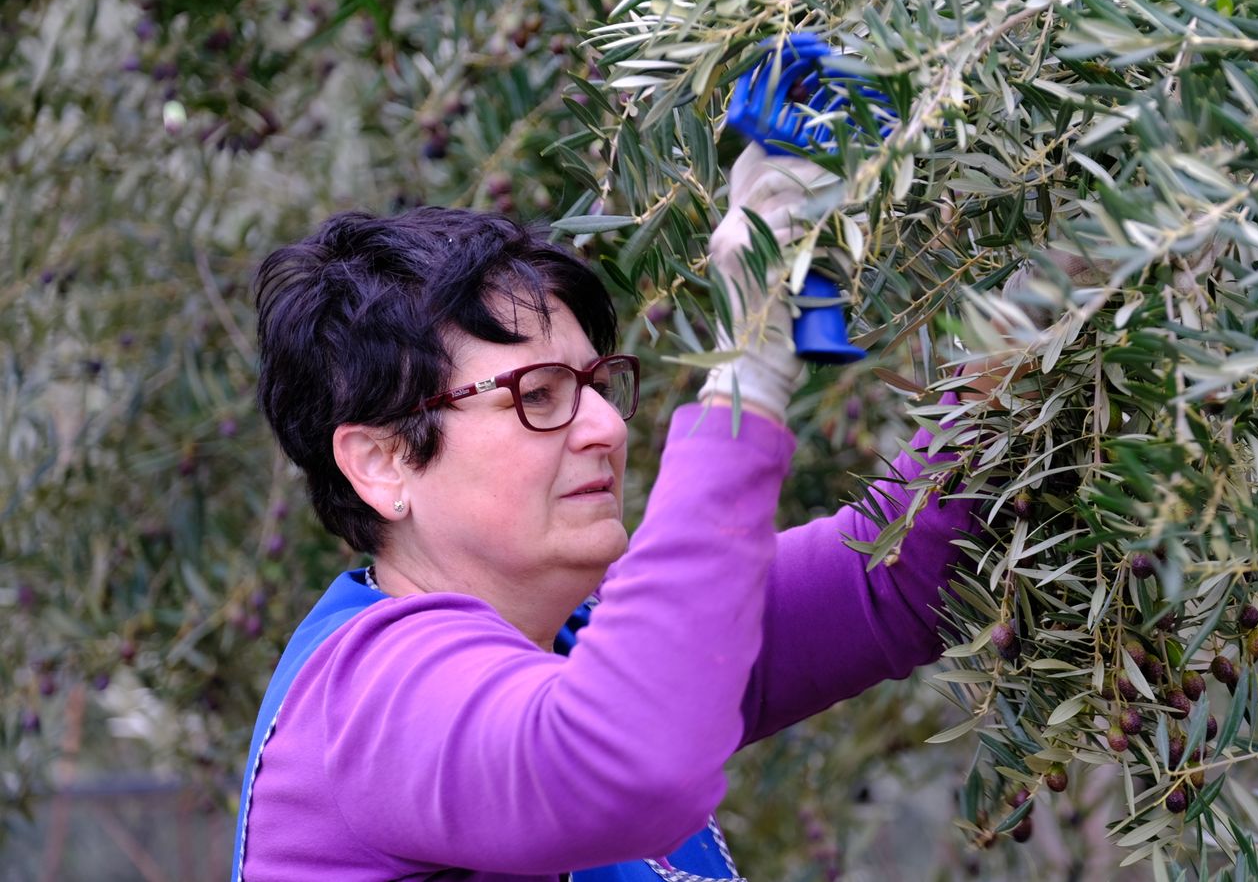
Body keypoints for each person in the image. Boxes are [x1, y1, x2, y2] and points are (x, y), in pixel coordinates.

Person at [231, 145, 979, 880]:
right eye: (538, 394)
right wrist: (745, 375)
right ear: (382, 461)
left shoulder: (576, 643)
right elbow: (627, 763)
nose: (607, 427)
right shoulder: (369, 698)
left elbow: (899, 572)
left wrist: (1026, 326)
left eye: (595, 384)